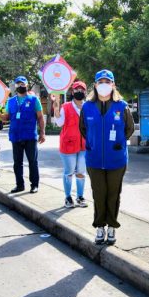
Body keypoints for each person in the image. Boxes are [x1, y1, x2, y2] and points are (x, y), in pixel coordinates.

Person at [79, 69, 134, 245]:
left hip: (116, 159)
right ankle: (99, 227)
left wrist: (118, 142)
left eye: (107, 82)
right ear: (95, 85)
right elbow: (83, 129)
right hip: (94, 159)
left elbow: (129, 129)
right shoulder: (87, 106)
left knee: (113, 195)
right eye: (100, 82)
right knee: (99, 194)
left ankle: (112, 227)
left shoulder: (122, 106)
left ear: (113, 85)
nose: (104, 85)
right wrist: (94, 143)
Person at [0, 76, 45, 194]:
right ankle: (19, 185)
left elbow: (40, 117)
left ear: (27, 85)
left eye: (22, 84)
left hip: (30, 136)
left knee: (32, 161)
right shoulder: (10, 101)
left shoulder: (34, 100)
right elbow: (6, 118)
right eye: (18, 84)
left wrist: (42, 133)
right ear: (15, 86)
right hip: (16, 136)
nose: (20, 86)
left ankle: (34, 185)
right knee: (17, 162)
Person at [52, 81, 89, 208]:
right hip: (68, 146)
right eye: (76, 90)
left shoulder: (88, 107)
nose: (79, 92)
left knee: (81, 172)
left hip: (84, 146)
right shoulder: (66, 106)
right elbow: (59, 123)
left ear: (85, 92)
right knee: (68, 172)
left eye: (82, 90)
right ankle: (68, 197)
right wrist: (56, 107)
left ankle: (80, 196)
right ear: (72, 92)